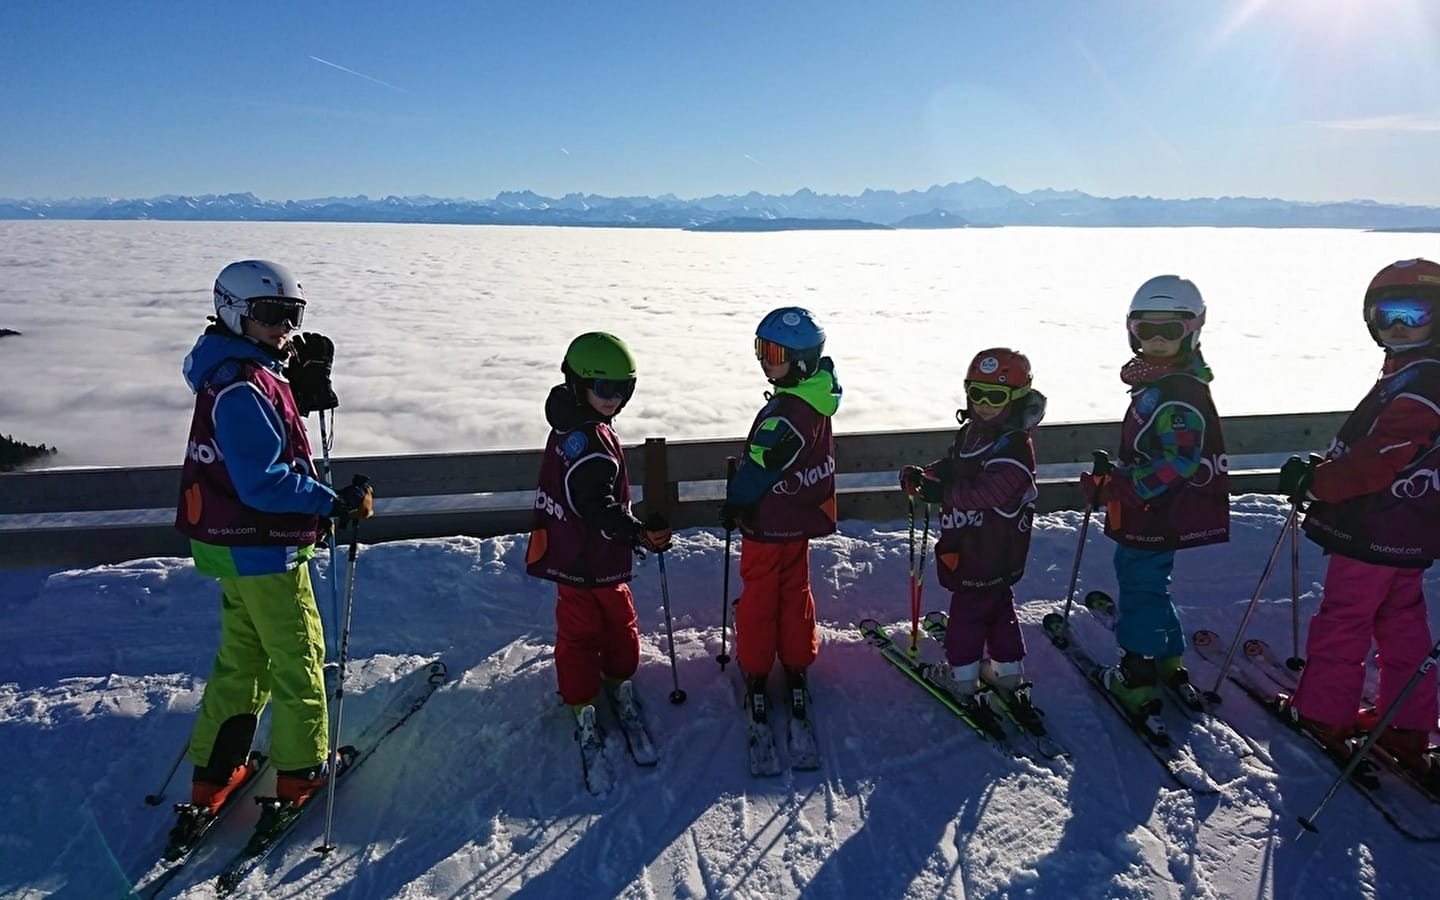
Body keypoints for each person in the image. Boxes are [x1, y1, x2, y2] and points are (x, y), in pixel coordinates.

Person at [173, 259, 373, 836]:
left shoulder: (238, 369)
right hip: (261, 545)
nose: (283, 326)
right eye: (269, 314)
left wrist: (292, 390)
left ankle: (216, 771)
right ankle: (302, 769)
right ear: (234, 311)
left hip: (232, 542)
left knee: (244, 657)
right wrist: (329, 501)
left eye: (293, 313)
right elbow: (262, 480)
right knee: (298, 656)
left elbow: (261, 439)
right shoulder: (241, 385)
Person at [1278, 258, 1440, 788]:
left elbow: (1378, 460)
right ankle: (1407, 726)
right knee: (1402, 622)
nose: (1398, 325)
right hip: (1410, 529)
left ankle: (1324, 713)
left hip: (1375, 528)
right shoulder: (1415, 372)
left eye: (1413, 313)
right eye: (1385, 313)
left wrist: (1319, 483)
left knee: (1346, 617)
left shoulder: (1421, 384)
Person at [1078, 274, 1229, 742]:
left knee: (1139, 585)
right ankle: (1167, 655)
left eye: (1172, 330)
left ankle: (1137, 675)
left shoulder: (1178, 394)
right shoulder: (1164, 384)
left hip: (1152, 512)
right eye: (1148, 330)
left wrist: (1123, 487)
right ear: (1131, 330)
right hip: (1158, 510)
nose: (1158, 340)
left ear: (1194, 330)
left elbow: (1178, 461)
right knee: (1152, 581)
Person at [525, 332, 671, 745]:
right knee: (613, 621)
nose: (615, 399)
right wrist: (640, 534)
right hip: (598, 558)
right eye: (605, 388)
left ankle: (582, 695)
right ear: (577, 383)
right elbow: (599, 509)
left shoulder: (567, 425)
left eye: (625, 388)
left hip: (566, 554)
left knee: (577, 629)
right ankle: (613, 680)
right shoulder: (591, 444)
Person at [899, 348, 1047, 731]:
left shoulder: (1014, 447)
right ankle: (1007, 672)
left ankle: (963, 676)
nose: (982, 404)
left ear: (1016, 399)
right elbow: (956, 466)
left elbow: (990, 492)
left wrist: (943, 494)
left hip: (988, 548)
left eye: (994, 396)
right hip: (979, 545)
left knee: (968, 610)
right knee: (997, 605)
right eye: (975, 393)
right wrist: (929, 476)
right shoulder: (975, 433)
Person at [720, 307, 841, 724]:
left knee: (759, 597)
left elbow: (758, 469)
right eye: (760, 349)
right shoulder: (817, 398)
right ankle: (795, 661)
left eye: (772, 352)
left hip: (768, 524)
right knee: (794, 591)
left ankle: (756, 668)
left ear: (802, 361)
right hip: (800, 521)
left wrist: (734, 503)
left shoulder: (786, 415)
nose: (763, 361)